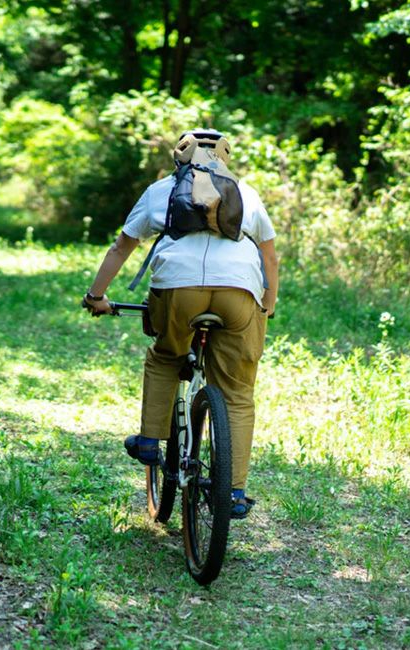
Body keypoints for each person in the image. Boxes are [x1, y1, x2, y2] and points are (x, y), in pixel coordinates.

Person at [83, 128, 278, 518]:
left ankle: (149, 441)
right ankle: (234, 492)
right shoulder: (247, 194)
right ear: (225, 157)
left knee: (167, 356)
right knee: (238, 391)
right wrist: (267, 307)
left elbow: (123, 246)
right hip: (239, 293)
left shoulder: (161, 191)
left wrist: (96, 296)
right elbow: (269, 257)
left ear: (179, 156)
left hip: (178, 290)